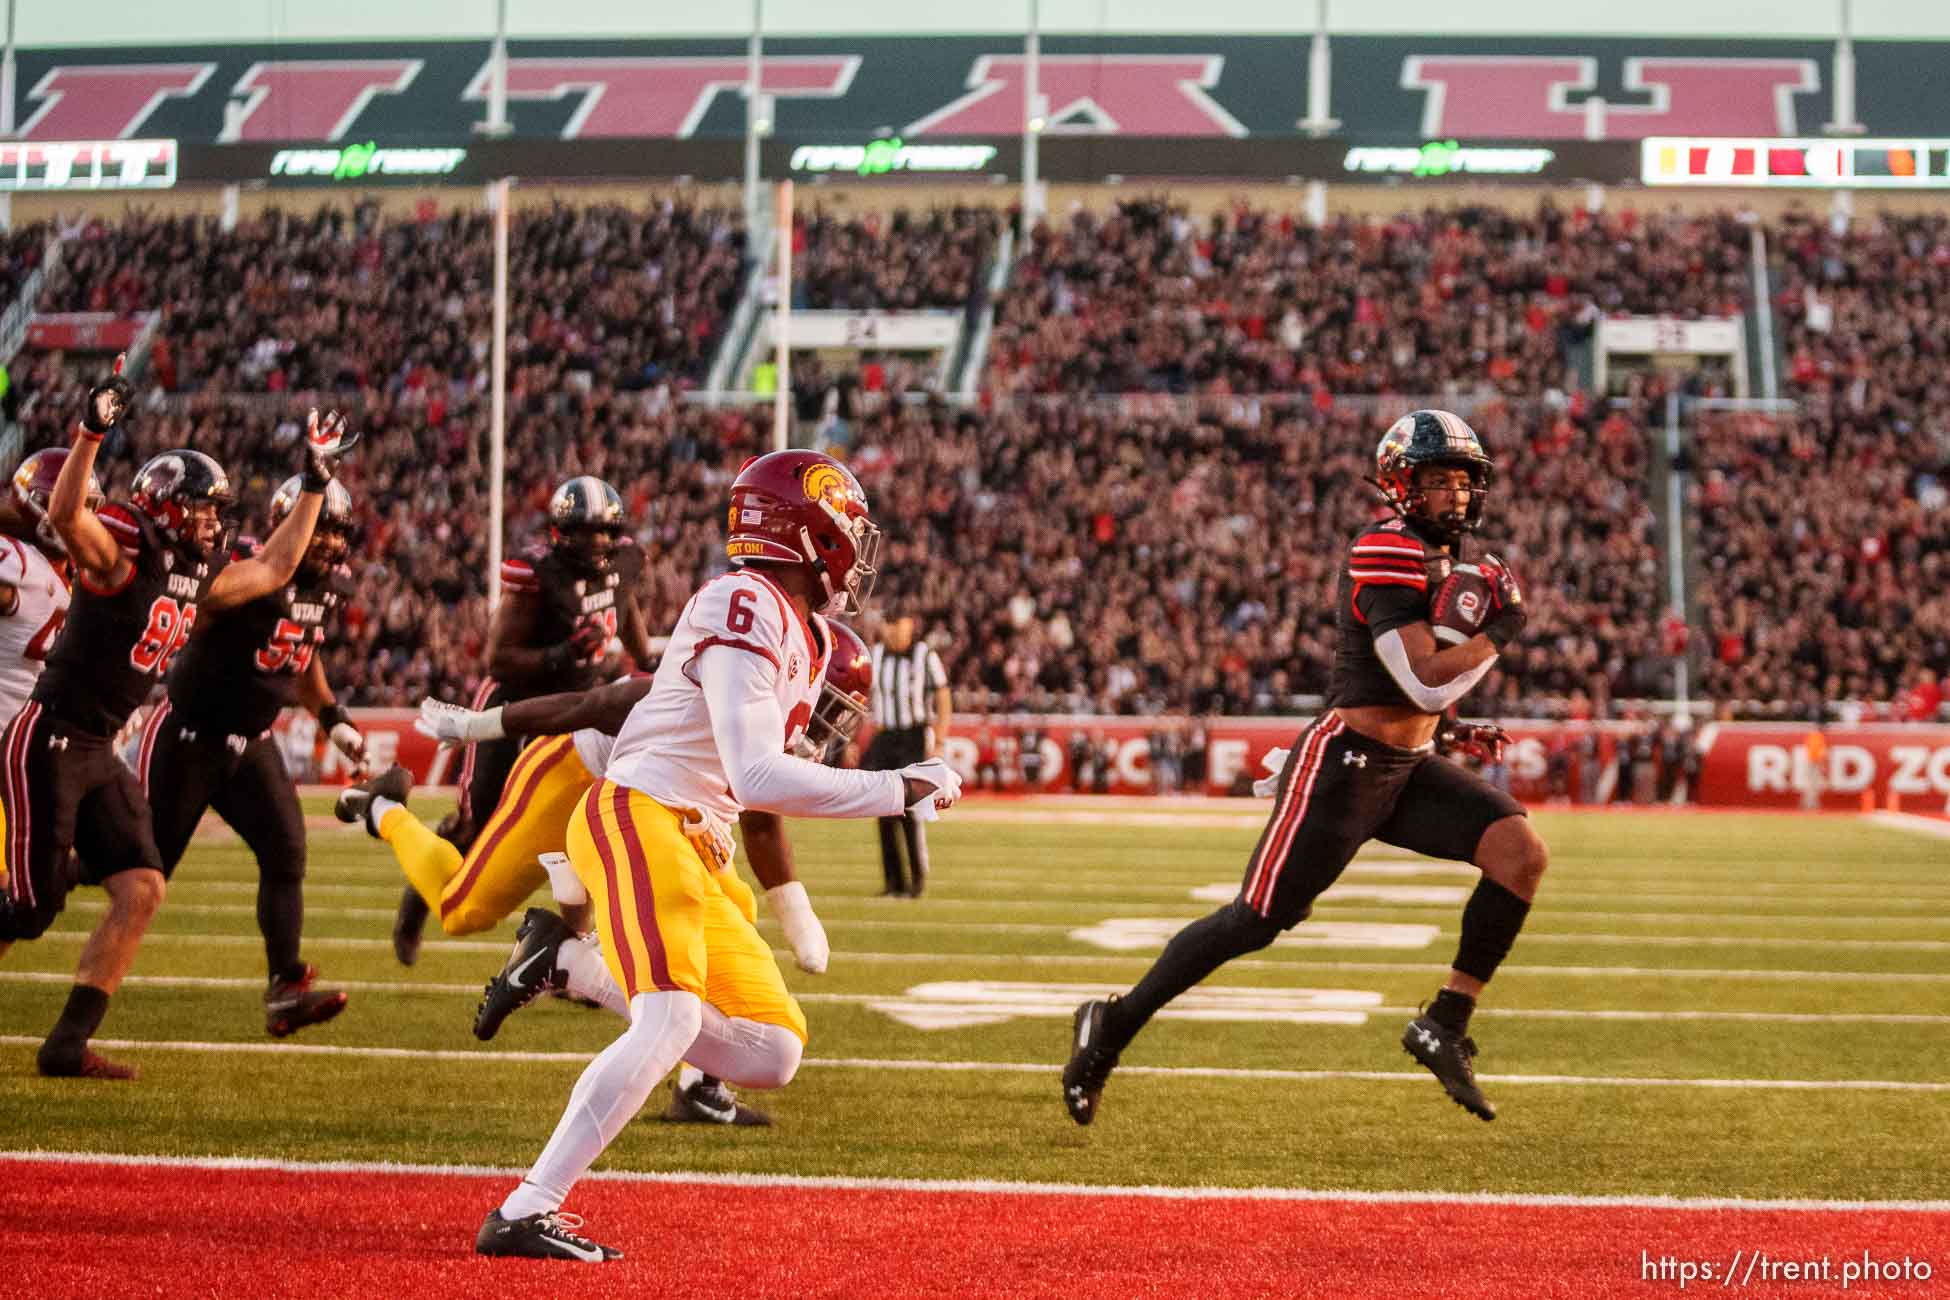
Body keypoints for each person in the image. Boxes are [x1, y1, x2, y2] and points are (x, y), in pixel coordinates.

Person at [470, 449, 961, 1261]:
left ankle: (565, 963)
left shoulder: (799, 629)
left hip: (694, 840)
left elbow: (750, 787)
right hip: (641, 812)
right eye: (844, 529)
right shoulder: (746, 599)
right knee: (671, 1017)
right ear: (804, 532)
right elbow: (758, 772)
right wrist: (898, 787)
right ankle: (527, 1206)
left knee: (773, 1050)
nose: (855, 549)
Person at [1061, 410, 1549, 1127]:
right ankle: (1112, 1026)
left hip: (1406, 763)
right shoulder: (1383, 547)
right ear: (1402, 486)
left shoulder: (1449, 556)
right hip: (1345, 766)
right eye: (1438, 480)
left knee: (1519, 852)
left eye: (1463, 481)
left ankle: (1444, 1021)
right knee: (1255, 920)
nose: (1455, 496)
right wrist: (1501, 632)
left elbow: (1421, 699)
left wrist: (1447, 728)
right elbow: (1418, 681)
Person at [0, 367, 352, 1080]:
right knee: (34, 908)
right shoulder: (120, 552)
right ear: (161, 508)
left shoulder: (202, 573)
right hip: (51, 737)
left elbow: (279, 562)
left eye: (216, 511)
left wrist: (314, 481)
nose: (213, 523)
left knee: (142, 887)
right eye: (199, 509)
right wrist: (90, 434)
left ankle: (67, 1042)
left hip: (99, 746)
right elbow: (69, 519)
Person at [384, 620, 877, 1128]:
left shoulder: (762, 724)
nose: (824, 727)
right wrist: (476, 726)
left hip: (655, 813)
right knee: (462, 909)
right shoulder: (709, 690)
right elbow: (587, 706)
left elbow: (759, 820)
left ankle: (699, 1086)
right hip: (575, 774)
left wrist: (796, 915)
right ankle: (384, 810)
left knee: (734, 906)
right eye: (827, 705)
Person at [136, 475, 366, 1038]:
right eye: (321, 529)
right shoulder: (244, 565)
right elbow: (188, 617)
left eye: (339, 533)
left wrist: (332, 717)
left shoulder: (329, 586)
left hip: (251, 741)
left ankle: (285, 988)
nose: (331, 544)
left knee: (286, 852)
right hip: (191, 734)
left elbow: (301, 655)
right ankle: (29, 891)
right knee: (138, 870)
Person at [391, 475, 653, 965]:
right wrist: (561, 653)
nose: (595, 542)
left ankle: (573, 954)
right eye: (583, 531)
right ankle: (418, 898)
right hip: (515, 704)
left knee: (583, 827)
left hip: (577, 706)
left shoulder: (624, 563)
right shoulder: (537, 575)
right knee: (478, 823)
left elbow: (625, 601)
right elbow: (499, 659)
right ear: (560, 532)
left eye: (602, 531)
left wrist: (644, 658)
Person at [0, 449, 103, 890]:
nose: (81, 517)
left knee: (34, 891)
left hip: (24, 757)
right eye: (73, 503)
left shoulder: (75, 579)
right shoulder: (17, 560)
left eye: (88, 507)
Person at [861, 612, 950, 897]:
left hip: (912, 734)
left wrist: (939, 737)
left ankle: (917, 879)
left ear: (910, 625)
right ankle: (893, 882)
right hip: (885, 734)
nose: (895, 633)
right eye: (890, 626)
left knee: (911, 809)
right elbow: (863, 695)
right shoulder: (876, 654)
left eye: (899, 626)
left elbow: (943, 695)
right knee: (883, 808)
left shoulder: (924, 655)